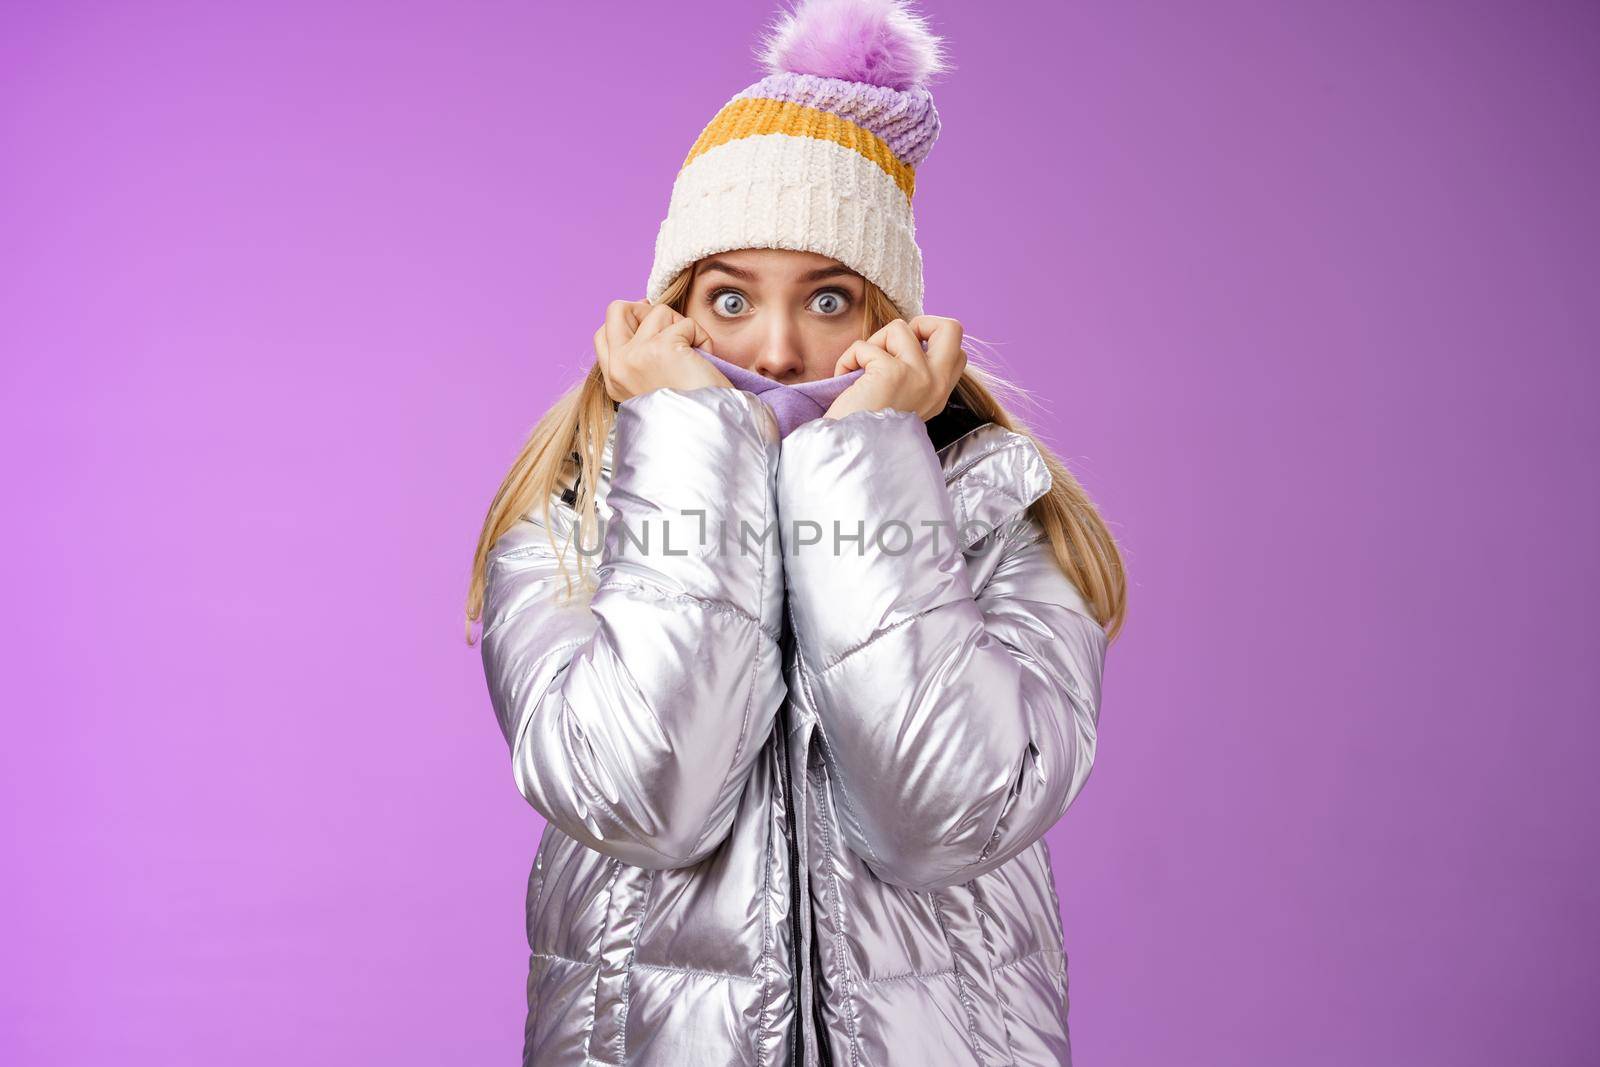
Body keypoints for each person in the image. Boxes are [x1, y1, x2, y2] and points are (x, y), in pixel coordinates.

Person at [463, 1, 1127, 1063]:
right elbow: (645, 801)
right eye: (730, 299)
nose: (774, 349)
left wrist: (864, 466)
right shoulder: (567, 524)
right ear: (672, 314)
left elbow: (944, 813)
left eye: (827, 297)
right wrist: (688, 442)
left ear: (889, 320)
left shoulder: (1003, 515)